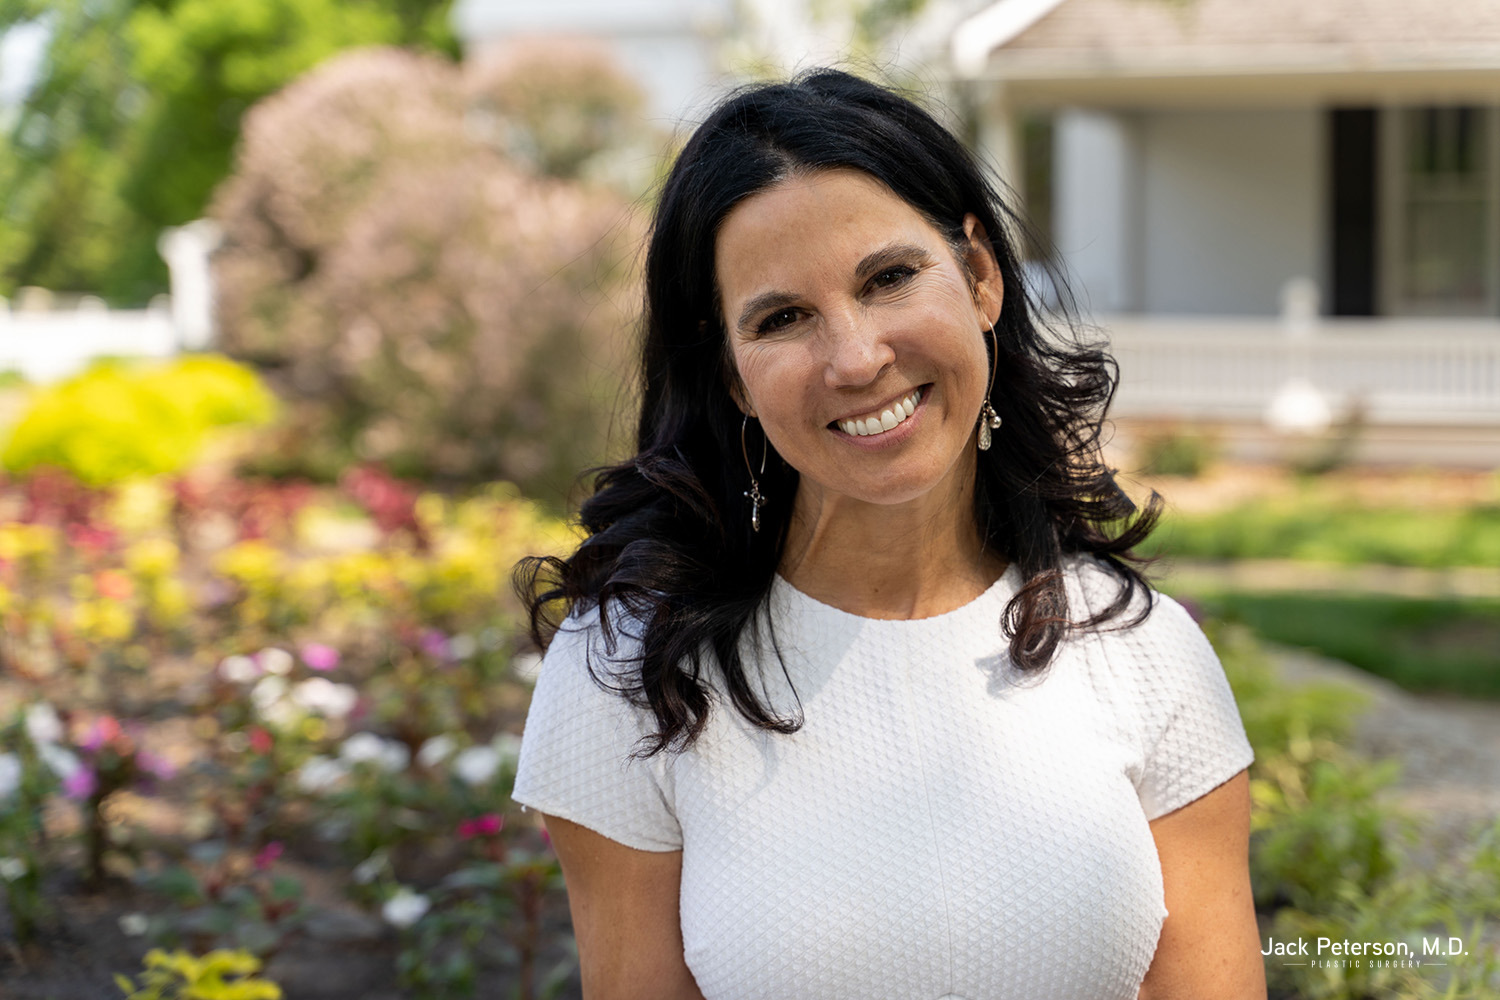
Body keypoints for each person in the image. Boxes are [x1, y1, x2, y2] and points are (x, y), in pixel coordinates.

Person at [512, 69, 1264, 1000]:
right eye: (783, 318)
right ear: (735, 378)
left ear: (981, 278)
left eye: (890, 278)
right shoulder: (629, 674)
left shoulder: (1143, 654)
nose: (857, 357)